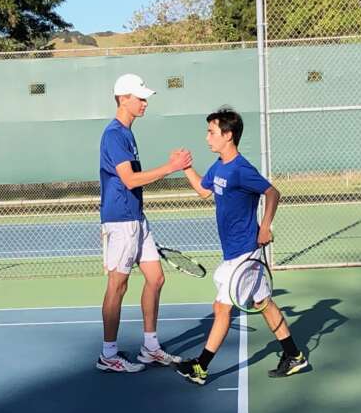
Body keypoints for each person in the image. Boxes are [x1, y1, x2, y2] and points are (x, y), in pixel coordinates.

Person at [174, 108, 309, 385]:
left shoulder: (241, 169)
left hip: (246, 252)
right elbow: (203, 189)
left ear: (228, 135)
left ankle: (201, 367)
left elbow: (272, 192)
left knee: (222, 308)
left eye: (212, 132)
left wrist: (265, 225)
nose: (207, 137)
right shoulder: (220, 166)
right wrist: (185, 167)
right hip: (233, 251)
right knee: (263, 302)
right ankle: (294, 355)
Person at [96, 73, 192, 373]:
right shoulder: (114, 135)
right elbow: (130, 179)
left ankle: (150, 348)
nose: (144, 103)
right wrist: (172, 167)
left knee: (156, 278)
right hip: (122, 221)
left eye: (145, 98)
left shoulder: (127, 133)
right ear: (123, 99)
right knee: (118, 285)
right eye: (140, 98)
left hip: (137, 217)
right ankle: (108, 354)